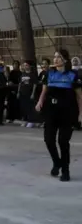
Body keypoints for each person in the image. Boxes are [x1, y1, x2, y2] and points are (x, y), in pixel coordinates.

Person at [35, 49, 82, 182]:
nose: (55, 59)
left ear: (65, 60)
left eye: (58, 57)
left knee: (63, 142)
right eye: (54, 57)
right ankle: (57, 162)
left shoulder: (73, 75)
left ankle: (65, 171)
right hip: (51, 111)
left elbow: (79, 97)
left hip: (68, 112)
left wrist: (81, 114)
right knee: (49, 140)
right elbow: (44, 91)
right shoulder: (49, 74)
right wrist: (40, 102)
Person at [18, 60, 38, 128]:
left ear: (29, 66)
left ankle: (31, 121)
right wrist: (18, 92)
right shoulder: (23, 74)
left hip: (29, 93)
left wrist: (33, 93)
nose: (25, 66)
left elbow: (35, 84)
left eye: (26, 65)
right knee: (24, 107)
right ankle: (25, 120)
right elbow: (20, 83)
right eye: (24, 65)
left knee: (30, 107)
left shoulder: (32, 74)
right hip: (22, 92)